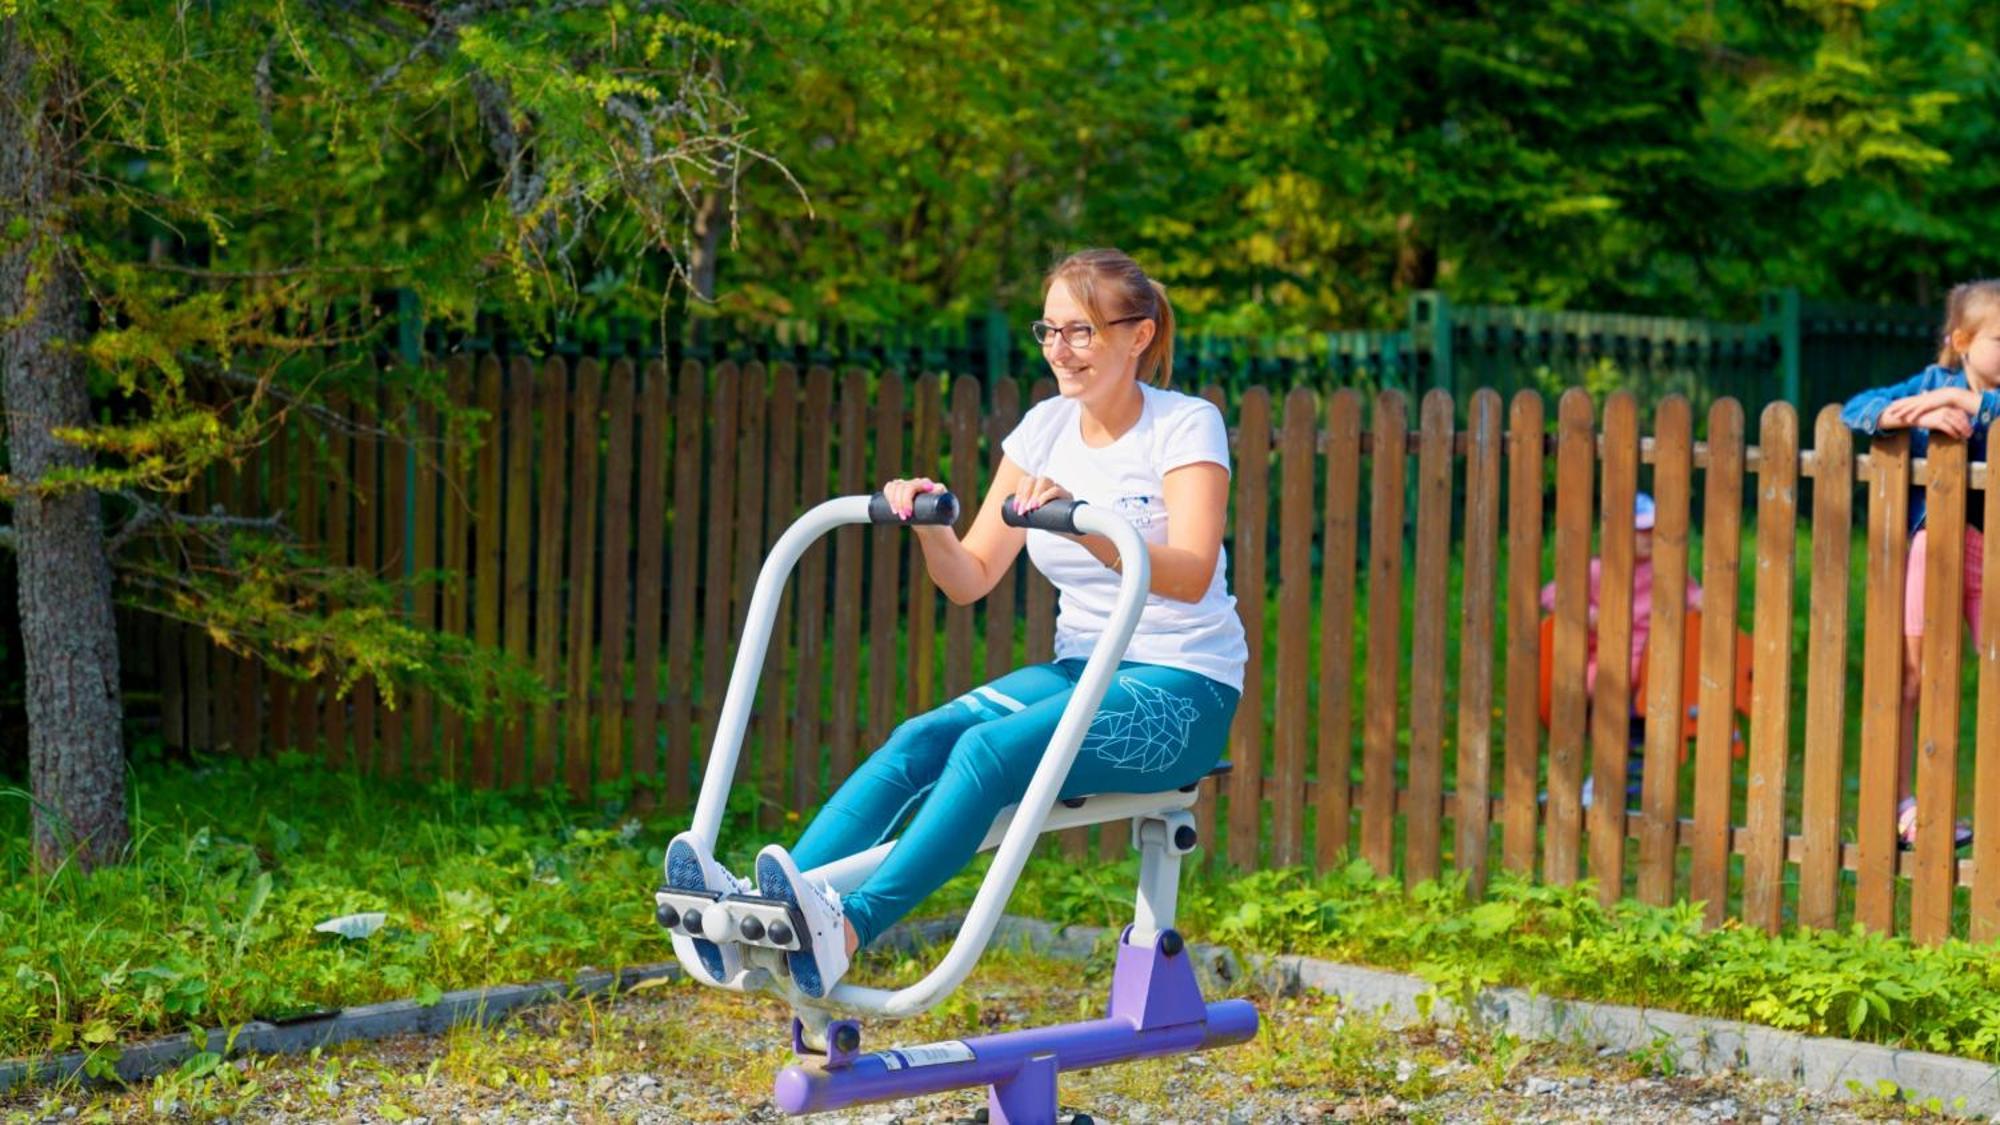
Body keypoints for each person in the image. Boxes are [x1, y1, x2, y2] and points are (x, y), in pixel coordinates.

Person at [664, 248, 1248, 997]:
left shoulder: (1183, 424)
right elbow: (971, 576)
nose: (1059, 351)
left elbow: (1191, 569)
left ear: (1138, 335)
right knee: (920, 738)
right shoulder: (1043, 429)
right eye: (1049, 331)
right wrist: (930, 526)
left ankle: (845, 928)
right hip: (1080, 669)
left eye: (1082, 332)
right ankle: (772, 911)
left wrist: (1084, 527)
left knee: (985, 750)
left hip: (1182, 689)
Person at [1841, 278, 2000, 851]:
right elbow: (1855, 411)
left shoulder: (1968, 394)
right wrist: (1916, 414)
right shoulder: (1932, 382)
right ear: (1961, 340)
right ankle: (1906, 805)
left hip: (1994, 554)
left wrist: (1968, 404)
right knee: (1915, 679)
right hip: (1934, 547)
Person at [1537, 493, 1706, 809]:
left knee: (1612, 687)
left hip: (1648, 661)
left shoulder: (1668, 572)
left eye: (1654, 530)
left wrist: (1703, 601)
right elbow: (1550, 593)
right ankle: (1585, 779)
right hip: (1604, 658)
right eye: (1640, 530)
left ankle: (1598, 781)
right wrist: (1583, 610)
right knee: (1595, 688)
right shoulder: (1599, 570)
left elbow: (1696, 599)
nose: (1649, 538)